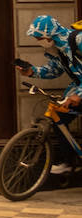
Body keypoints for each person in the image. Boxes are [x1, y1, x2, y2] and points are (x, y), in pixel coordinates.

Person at [16, 14, 82, 174]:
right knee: (58, 116)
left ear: (49, 35)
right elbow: (54, 70)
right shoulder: (56, 49)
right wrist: (32, 72)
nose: (38, 41)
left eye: (39, 38)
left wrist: (79, 94)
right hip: (78, 88)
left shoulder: (78, 40)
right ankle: (69, 162)